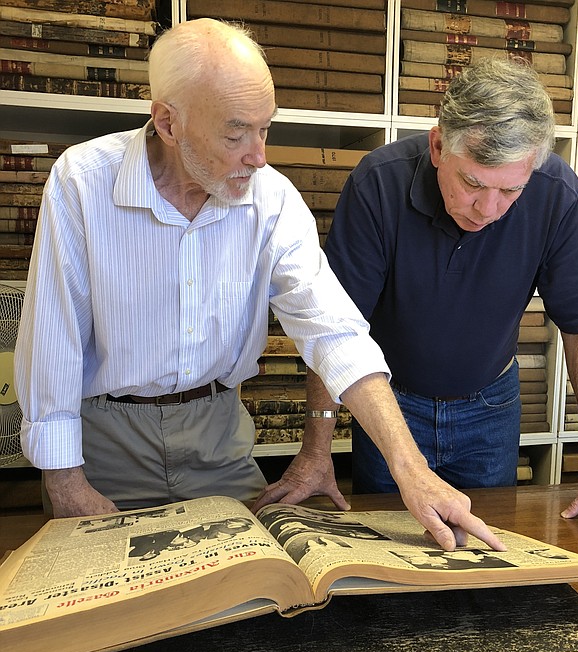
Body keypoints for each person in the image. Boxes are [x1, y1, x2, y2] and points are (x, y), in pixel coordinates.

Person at [14, 18, 506, 553]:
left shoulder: (271, 199)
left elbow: (335, 332)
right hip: (105, 441)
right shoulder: (82, 182)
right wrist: (64, 480)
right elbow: (52, 339)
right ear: (168, 121)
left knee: (264, 596)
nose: (259, 154)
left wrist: (411, 469)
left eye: (265, 129)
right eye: (236, 132)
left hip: (218, 437)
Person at [256, 57, 578, 544]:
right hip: (393, 406)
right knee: (394, 550)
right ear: (437, 146)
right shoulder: (379, 183)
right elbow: (334, 328)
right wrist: (315, 449)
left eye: (509, 191)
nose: (489, 209)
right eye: (473, 183)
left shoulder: (556, 192)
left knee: (484, 547)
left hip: (491, 407)